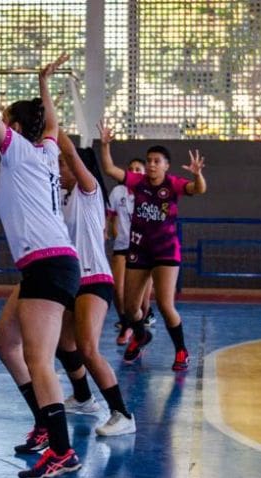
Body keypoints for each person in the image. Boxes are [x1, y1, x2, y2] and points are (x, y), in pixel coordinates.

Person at [0, 49, 81, 478]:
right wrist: (43, 82)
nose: (0, 123)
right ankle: (43, 422)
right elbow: (52, 123)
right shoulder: (42, 155)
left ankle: (62, 451)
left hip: (48, 263)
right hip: (46, 264)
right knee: (5, 340)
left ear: (15, 129)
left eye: (6, 120)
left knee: (39, 360)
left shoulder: (19, 151)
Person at [98, 125, 207, 370]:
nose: (151, 165)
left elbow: (198, 189)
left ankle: (181, 350)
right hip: (139, 251)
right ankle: (140, 335)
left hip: (166, 252)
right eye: (149, 161)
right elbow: (109, 169)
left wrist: (197, 175)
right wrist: (105, 145)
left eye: (157, 161)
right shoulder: (138, 182)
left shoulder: (173, 184)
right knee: (130, 308)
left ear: (166, 165)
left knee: (165, 306)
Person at [53, 128, 136, 437]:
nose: (58, 169)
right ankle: (83, 398)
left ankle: (122, 414)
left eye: (62, 164)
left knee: (87, 348)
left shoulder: (88, 191)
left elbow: (71, 154)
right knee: (63, 344)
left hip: (94, 277)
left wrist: (53, 126)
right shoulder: (59, 197)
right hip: (70, 279)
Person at [99, 122, 155, 345]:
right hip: (123, 245)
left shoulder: (149, 192)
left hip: (145, 249)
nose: (134, 172)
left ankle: (139, 325)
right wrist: (106, 230)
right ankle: (126, 325)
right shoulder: (117, 192)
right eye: (131, 169)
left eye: (138, 169)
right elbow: (110, 215)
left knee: (142, 300)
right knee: (118, 289)